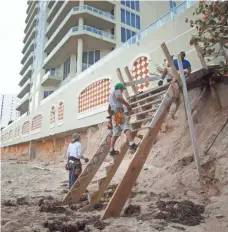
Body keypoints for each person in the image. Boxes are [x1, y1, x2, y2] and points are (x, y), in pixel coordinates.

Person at [108, 83, 138, 156]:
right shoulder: (117, 91)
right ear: (120, 88)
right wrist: (127, 105)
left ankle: (111, 150)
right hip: (118, 112)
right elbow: (118, 97)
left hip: (113, 114)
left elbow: (108, 109)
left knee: (115, 133)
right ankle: (132, 145)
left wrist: (111, 117)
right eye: (122, 89)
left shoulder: (110, 96)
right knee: (126, 127)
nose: (122, 91)